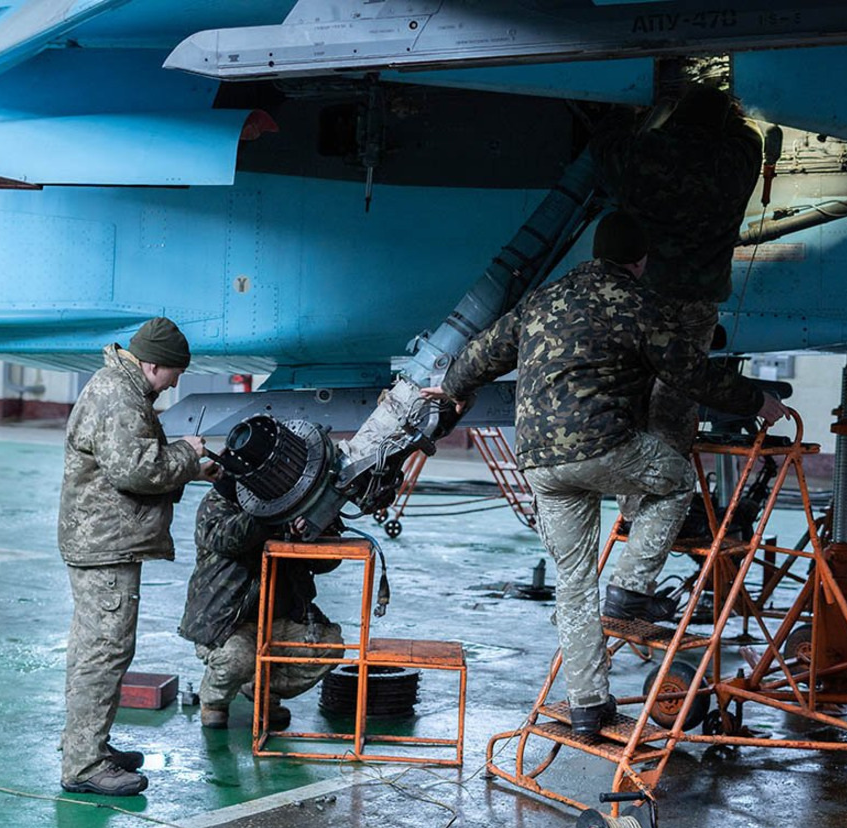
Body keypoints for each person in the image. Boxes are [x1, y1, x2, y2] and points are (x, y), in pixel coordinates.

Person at [423, 212, 786, 737]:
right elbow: (689, 373)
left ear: (597, 253)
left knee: (573, 585)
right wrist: (756, 400)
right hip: (604, 446)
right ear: (640, 261)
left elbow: (485, 350)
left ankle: (588, 707)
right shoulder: (638, 303)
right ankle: (631, 587)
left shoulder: (544, 299)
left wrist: (454, 387)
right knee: (675, 479)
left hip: (539, 461)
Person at [58, 316, 214, 797]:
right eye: (174, 374)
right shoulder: (119, 396)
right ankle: (84, 766)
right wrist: (187, 453)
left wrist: (193, 469)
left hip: (102, 539)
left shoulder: (120, 388)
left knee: (96, 649)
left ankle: (87, 747)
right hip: (105, 544)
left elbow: (131, 462)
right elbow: (136, 470)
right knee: (104, 652)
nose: (174, 384)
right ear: (152, 365)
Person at [591, 82, 763, 455]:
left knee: (634, 384)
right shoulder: (734, 164)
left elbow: (604, 147)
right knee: (680, 390)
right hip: (699, 299)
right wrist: (736, 116)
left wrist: (628, 108)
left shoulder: (643, 155)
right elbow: (752, 139)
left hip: (645, 292)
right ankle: (667, 469)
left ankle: (628, 474)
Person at [179, 470, 344, 731]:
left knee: (328, 647)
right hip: (225, 621)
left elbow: (326, 563)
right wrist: (273, 515)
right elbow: (227, 539)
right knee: (237, 658)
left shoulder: (296, 502)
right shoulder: (220, 499)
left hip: (281, 616)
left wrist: (312, 529)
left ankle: (260, 689)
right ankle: (214, 701)